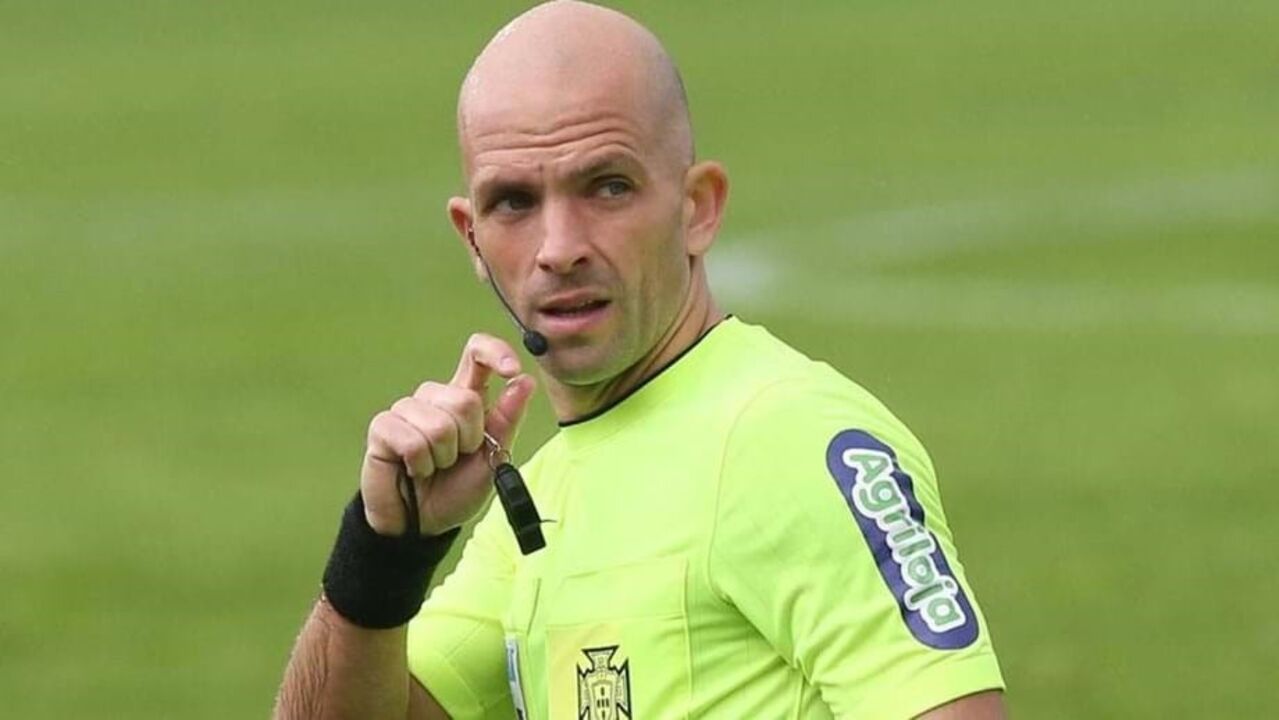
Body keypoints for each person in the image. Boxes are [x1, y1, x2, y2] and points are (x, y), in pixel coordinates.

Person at [274, 2, 1007, 718]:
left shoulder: (787, 439)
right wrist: (383, 550)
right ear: (472, 238)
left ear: (697, 208)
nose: (559, 248)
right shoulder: (542, 499)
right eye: (515, 202)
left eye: (607, 187)